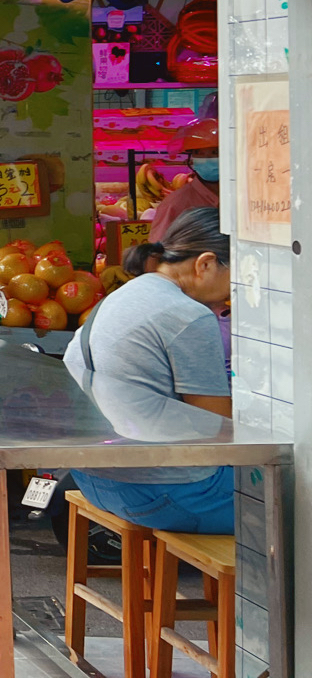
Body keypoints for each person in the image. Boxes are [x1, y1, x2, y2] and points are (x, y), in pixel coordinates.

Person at [64, 207, 233, 533]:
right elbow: (220, 430)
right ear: (206, 264)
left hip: (94, 478)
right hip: (166, 491)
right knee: (293, 500)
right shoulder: (189, 315)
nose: (233, 295)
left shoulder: (123, 295)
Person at [147, 117, 221, 242]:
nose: (207, 159)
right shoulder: (175, 203)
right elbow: (159, 249)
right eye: (198, 153)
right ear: (191, 158)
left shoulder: (246, 195)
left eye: (215, 152)